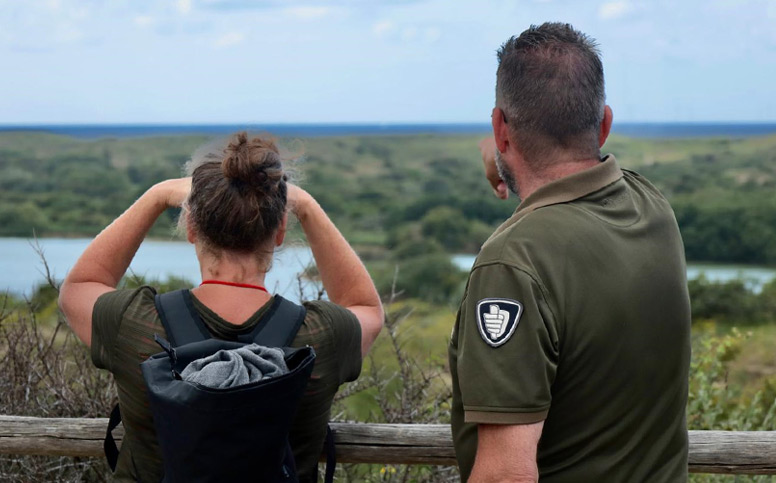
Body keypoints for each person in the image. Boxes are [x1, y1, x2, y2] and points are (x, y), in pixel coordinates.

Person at [59, 132, 384, 482]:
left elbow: (78, 289)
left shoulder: (135, 326)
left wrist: (157, 195)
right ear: (279, 230)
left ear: (191, 228)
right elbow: (364, 306)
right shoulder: (322, 338)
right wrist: (306, 207)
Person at [448, 22, 691, 482]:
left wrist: (502, 146)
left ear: (501, 129)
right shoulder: (650, 205)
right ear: (604, 124)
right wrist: (500, 152)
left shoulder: (513, 265)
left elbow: (505, 475)